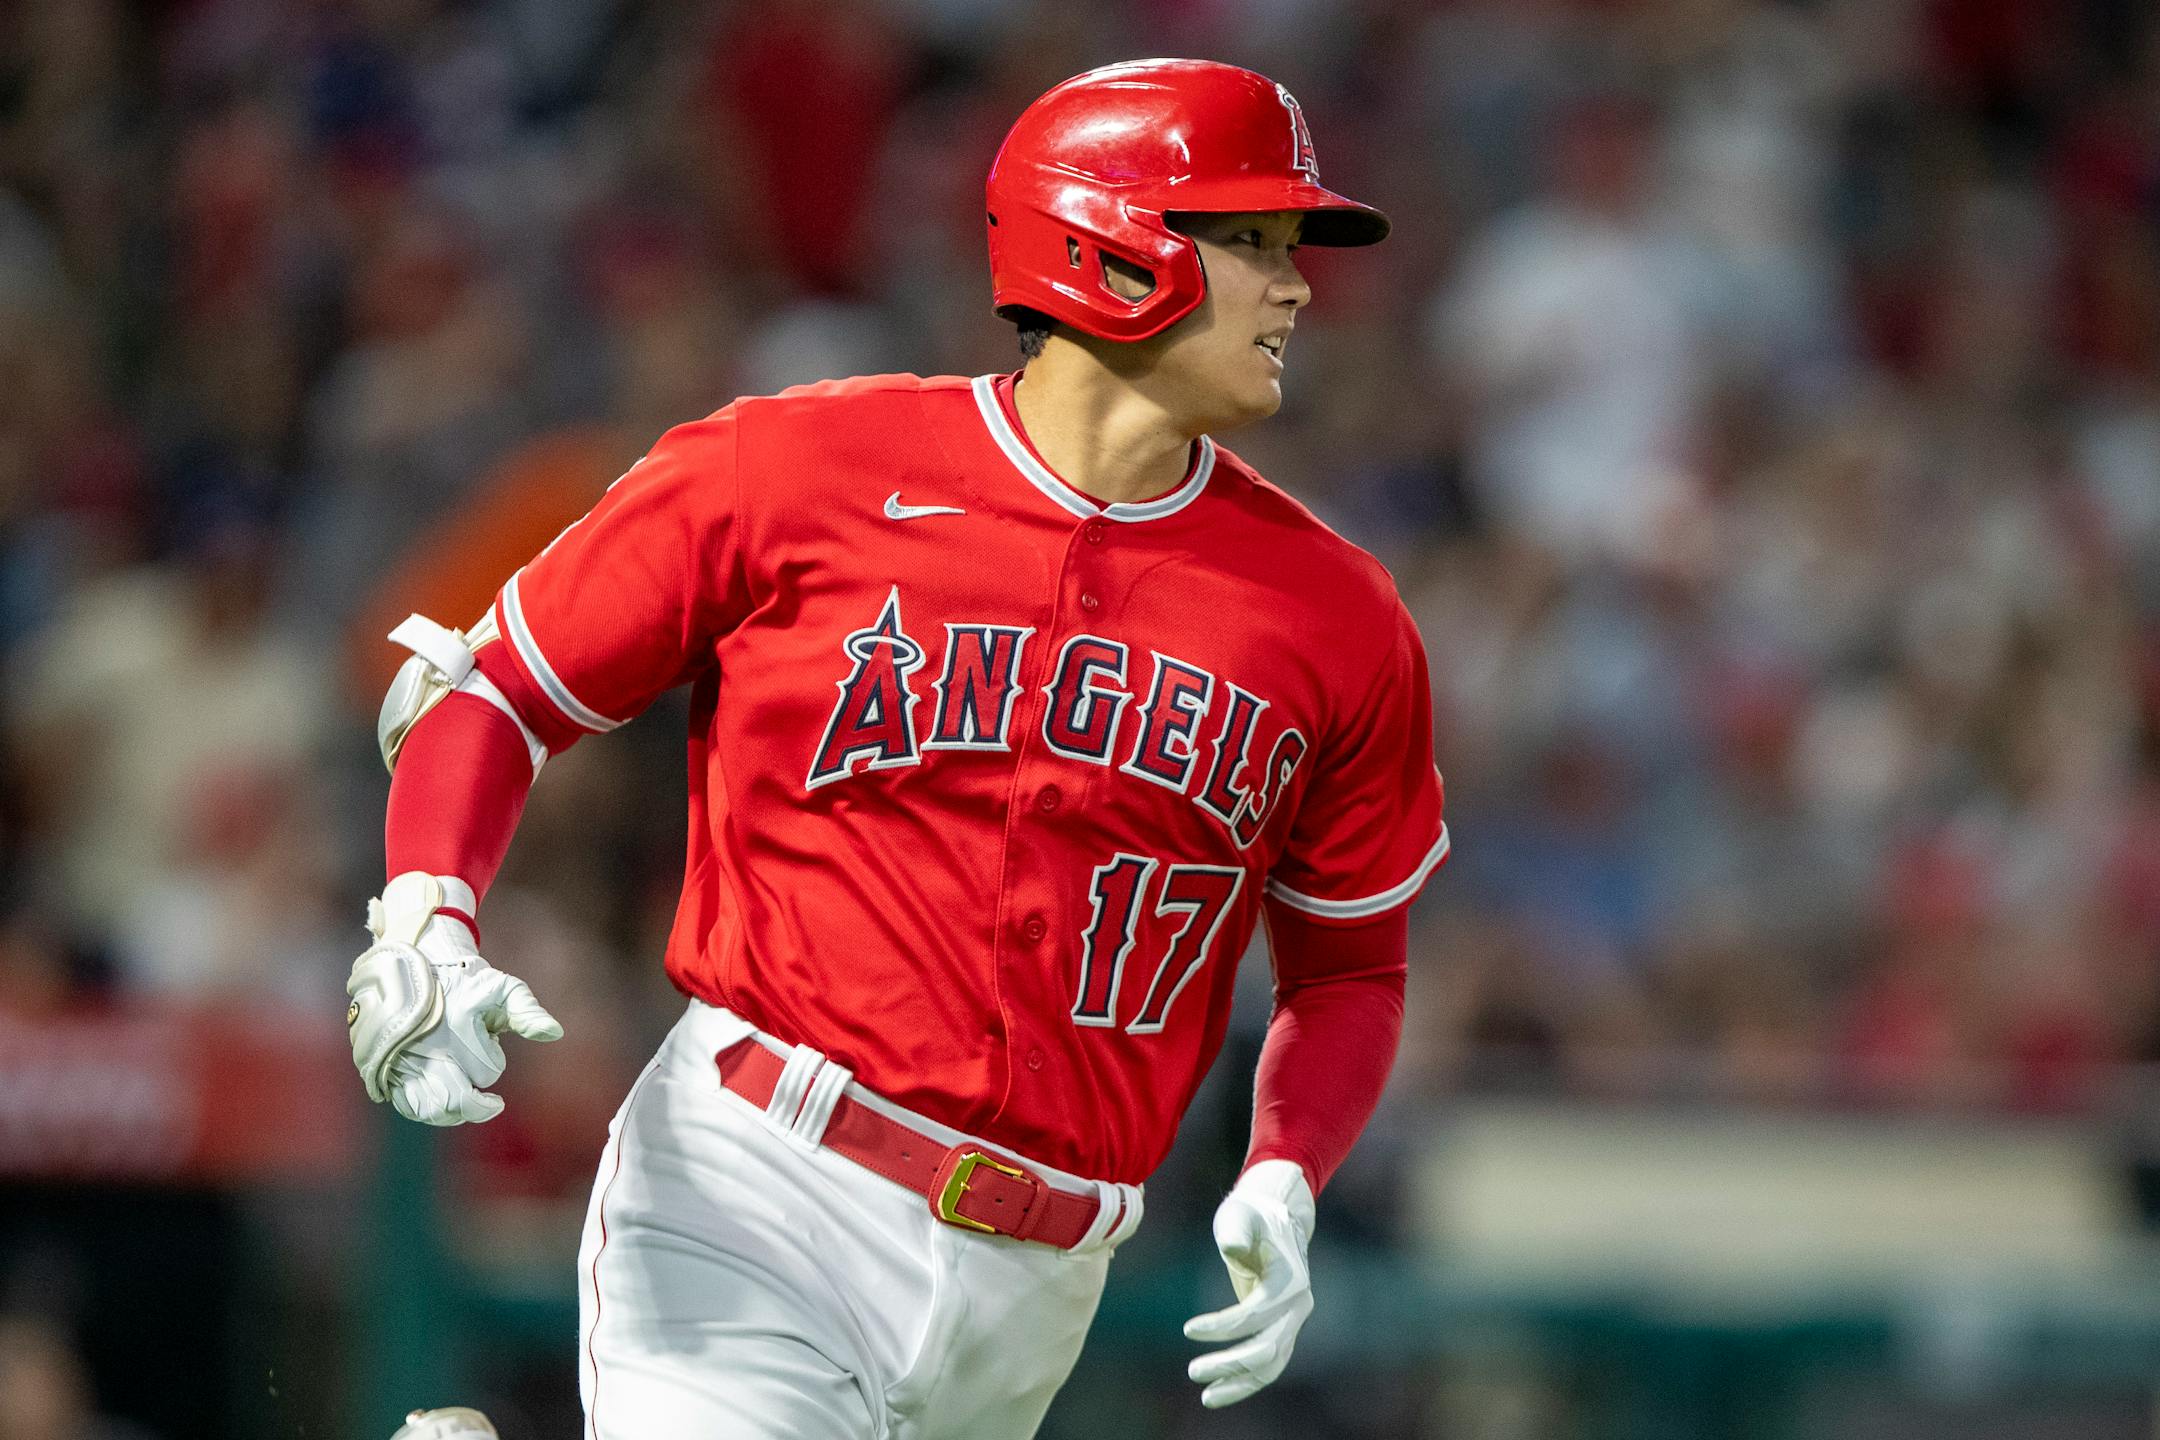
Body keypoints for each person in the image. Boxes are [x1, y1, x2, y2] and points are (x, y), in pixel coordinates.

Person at [348, 58, 1447, 1439]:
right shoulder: (798, 468)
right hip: (759, 1185)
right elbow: (492, 689)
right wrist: (428, 912)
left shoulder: (1338, 616)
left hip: (1047, 1282)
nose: (1295, 288)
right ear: (1108, 246)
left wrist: (1289, 1169)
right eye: (1251, 242)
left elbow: (1351, 963)